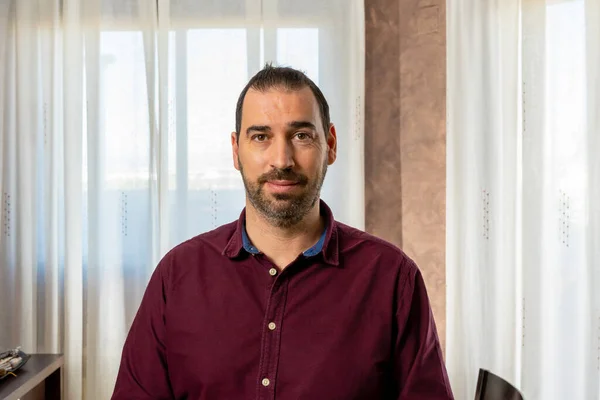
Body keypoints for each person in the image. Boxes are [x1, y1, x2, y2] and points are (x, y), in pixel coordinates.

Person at [111, 64, 454, 400]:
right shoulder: (177, 276)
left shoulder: (392, 279)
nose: (282, 159)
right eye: (261, 136)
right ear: (236, 151)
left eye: (301, 136)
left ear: (330, 145)